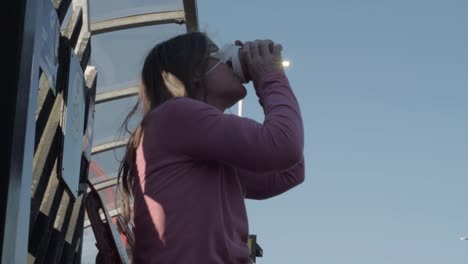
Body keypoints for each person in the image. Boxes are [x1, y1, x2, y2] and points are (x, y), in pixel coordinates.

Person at [117, 31, 305, 264]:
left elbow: (291, 171)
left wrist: (266, 82)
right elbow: (284, 147)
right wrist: (270, 78)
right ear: (196, 71)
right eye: (217, 53)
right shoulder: (175, 115)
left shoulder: (204, 149)